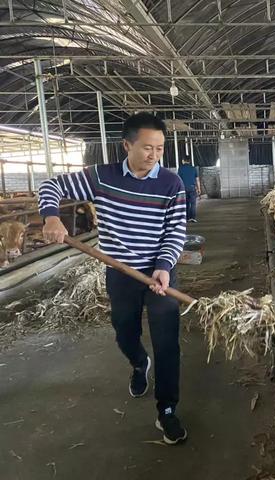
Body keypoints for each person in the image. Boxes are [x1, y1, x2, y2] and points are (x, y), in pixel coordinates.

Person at [38, 113, 188, 445]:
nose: (154, 155)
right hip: (120, 272)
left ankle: (167, 409)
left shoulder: (171, 184)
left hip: (159, 273)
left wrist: (164, 265)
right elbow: (51, 185)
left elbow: (176, 230)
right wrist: (51, 216)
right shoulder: (101, 177)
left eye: (160, 149)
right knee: (124, 331)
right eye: (147, 148)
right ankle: (138, 362)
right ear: (126, 145)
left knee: (167, 342)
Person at [177, 156, 201, 223]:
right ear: (189, 161)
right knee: (193, 204)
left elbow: (178, 180)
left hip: (184, 189)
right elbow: (197, 179)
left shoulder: (180, 169)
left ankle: (187, 218)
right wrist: (199, 189)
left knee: (186, 203)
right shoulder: (193, 168)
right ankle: (193, 218)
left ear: (183, 161)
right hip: (192, 188)